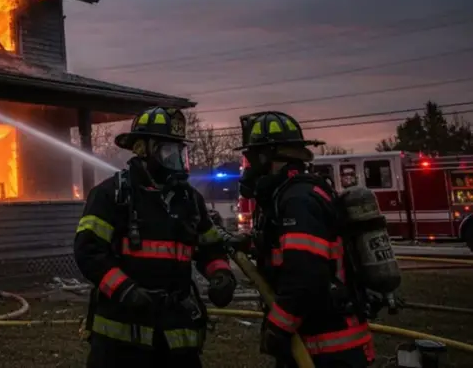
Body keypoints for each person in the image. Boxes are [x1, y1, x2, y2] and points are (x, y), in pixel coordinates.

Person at [74, 106, 237, 368]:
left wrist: (221, 275)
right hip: (121, 338)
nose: (176, 159)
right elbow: (88, 251)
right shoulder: (111, 195)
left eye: (180, 152)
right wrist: (126, 290)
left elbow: (211, 248)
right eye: (168, 151)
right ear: (142, 149)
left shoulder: (190, 201)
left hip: (177, 338)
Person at [236, 111, 376, 367]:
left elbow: (305, 275)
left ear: (268, 157)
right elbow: (291, 252)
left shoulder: (297, 201)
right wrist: (250, 244)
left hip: (327, 348)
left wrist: (278, 327)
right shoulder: (298, 193)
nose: (249, 169)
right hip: (321, 344)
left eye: (251, 159)